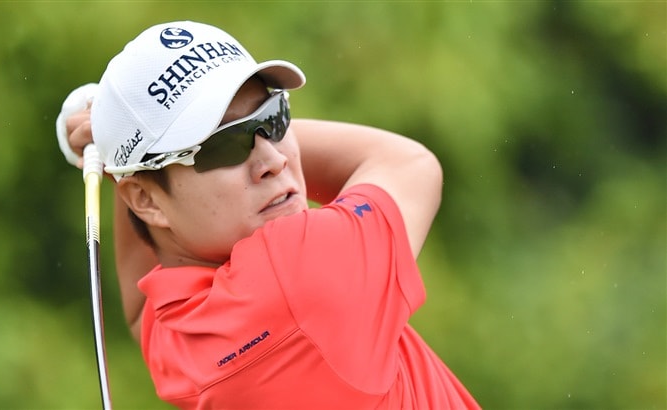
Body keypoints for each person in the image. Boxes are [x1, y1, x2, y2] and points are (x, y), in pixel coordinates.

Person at [57, 20, 480, 409]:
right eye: (222, 145)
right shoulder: (301, 269)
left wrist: (121, 153)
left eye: (273, 118)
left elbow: (140, 307)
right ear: (147, 202)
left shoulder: (180, 332)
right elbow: (409, 163)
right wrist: (119, 149)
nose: (274, 160)